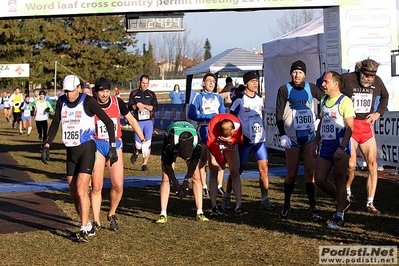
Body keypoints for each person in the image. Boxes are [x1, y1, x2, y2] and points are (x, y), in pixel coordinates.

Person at [42, 75, 117, 243]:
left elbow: (107, 122)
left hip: (87, 150)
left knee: (82, 188)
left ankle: (83, 229)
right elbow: (55, 124)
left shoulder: (88, 101)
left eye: (71, 91)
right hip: (71, 152)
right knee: (74, 192)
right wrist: (47, 145)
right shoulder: (62, 101)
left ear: (78, 88)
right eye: (66, 91)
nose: (68, 94)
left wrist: (112, 146)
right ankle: (88, 224)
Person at [90, 77, 145, 234]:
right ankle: (96, 221)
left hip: (115, 145)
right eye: (102, 92)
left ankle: (111, 213)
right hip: (97, 145)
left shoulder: (117, 102)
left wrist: (143, 140)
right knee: (96, 186)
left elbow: (132, 121)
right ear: (96, 92)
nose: (105, 95)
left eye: (107, 91)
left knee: (118, 185)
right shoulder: (90, 104)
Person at [275, 60, 324, 220]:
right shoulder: (284, 89)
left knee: (310, 172)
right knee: (292, 173)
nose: (297, 75)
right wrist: (282, 134)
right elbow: (278, 114)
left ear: (305, 74)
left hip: (309, 137)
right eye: (294, 72)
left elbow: (326, 101)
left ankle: (313, 208)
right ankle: (286, 205)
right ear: (291, 73)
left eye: (300, 72)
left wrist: (319, 119)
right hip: (292, 138)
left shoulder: (311, 88)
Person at [341, 58, 389, 215]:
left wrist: (377, 113)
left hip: (366, 128)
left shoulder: (378, 82)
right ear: (360, 72)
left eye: (372, 76)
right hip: (351, 126)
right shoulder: (348, 79)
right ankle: (347, 188)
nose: (369, 79)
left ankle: (370, 203)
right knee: (351, 165)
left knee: (373, 166)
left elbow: (385, 97)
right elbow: (333, 89)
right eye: (367, 75)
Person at [311, 71, 355, 228]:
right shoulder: (323, 100)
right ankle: (341, 200)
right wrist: (316, 141)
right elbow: (322, 122)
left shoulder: (345, 101)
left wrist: (342, 147)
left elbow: (350, 127)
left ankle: (339, 215)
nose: (323, 84)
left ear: (335, 83)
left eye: (326, 81)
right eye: (323, 81)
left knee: (339, 179)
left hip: (339, 147)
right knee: (320, 179)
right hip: (325, 146)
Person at [227, 71, 276, 211]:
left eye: (257, 81)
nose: (256, 83)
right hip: (245, 141)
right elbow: (231, 120)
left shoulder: (260, 98)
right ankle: (227, 196)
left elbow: (260, 116)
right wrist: (240, 136)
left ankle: (265, 199)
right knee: (238, 170)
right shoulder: (239, 99)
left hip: (259, 139)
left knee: (264, 169)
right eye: (253, 81)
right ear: (246, 83)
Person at [156, 121, 209, 223]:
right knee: (165, 178)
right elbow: (167, 165)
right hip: (173, 138)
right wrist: (176, 183)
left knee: (196, 176)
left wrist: (186, 181)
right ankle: (163, 213)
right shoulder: (171, 143)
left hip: (189, 138)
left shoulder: (198, 144)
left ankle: (200, 212)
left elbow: (194, 163)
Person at [187, 73, 226, 200]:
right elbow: (191, 114)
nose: (211, 83)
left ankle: (218, 185)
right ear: (203, 83)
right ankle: (203, 186)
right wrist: (206, 117)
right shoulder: (198, 97)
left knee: (218, 161)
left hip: (216, 131)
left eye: (213, 81)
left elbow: (223, 113)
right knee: (203, 161)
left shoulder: (218, 97)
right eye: (208, 81)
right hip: (204, 130)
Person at [207, 113, 247, 216]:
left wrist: (232, 140)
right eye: (228, 134)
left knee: (235, 172)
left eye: (232, 132)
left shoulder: (237, 124)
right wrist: (221, 161)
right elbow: (210, 144)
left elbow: (241, 139)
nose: (233, 133)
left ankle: (238, 205)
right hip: (216, 142)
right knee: (214, 171)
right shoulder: (213, 124)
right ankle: (214, 206)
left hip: (231, 144)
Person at [128, 74, 159, 171]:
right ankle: (136, 151)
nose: (145, 85)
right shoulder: (133, 93)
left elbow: (156, 108)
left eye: (146, 83)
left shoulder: (151, 94)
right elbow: (129, 107)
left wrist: (144, 106)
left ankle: (144, 164)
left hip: (148, 122)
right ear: (139, 82)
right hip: (138, 122)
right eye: (143, 83)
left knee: (147, 143)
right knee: (139, 145)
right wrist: (136, 106)